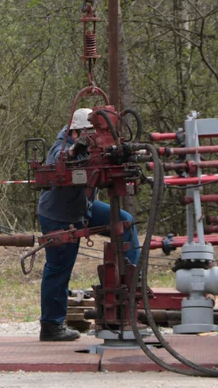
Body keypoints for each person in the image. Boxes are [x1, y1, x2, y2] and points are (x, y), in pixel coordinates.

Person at [36, 108, 141, 342]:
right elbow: (57, 159)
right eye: (91, 135)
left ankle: (132, 285)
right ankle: (51, 326)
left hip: (85, 209)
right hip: (58, 215)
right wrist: (75, 150)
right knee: (59, 268)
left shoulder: (96, 146)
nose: (96, 140)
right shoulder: (62, 146)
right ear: (76, 132)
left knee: (125, 222)